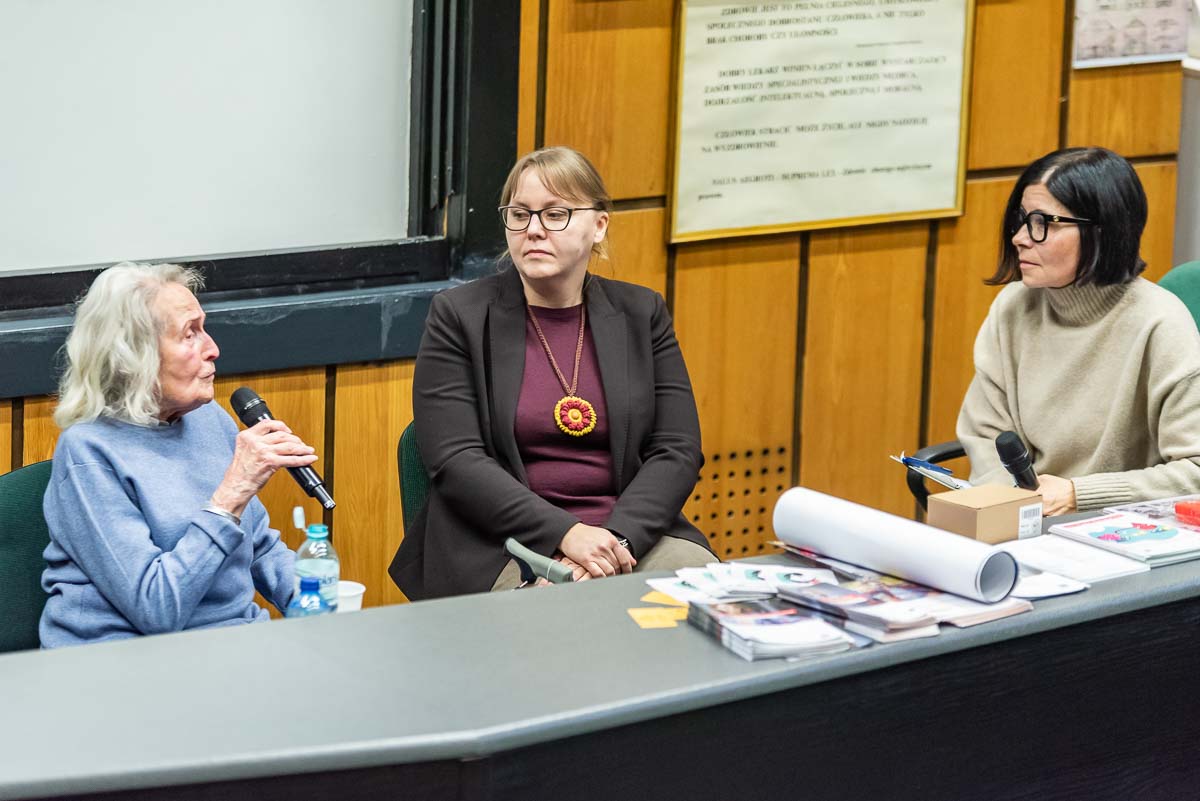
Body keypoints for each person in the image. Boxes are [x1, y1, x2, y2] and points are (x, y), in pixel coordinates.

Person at [389, 146, 714, 599]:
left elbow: (677, 449)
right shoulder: (459, 315)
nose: (534, 229)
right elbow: (456, 459)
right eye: (520, 214)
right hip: (499, 542)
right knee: (559, 621)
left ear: (599, 225)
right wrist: (566, 534)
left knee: (700, 605)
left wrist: (614, 542)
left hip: (629, 533)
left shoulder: (642, 312)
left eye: (556, 214)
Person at [40, 262, 318, 648]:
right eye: (190, 334)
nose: (213, 349)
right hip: (128, 659)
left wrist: (320, 604)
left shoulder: (209, 419)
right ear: (135, 355)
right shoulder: (88, 453)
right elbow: (156, 609)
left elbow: (259, 549)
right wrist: (230, 496)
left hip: (231, 647)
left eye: (205, 328)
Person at [956, 147, 1200, 515]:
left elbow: (1195, 470)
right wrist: (1015, 506)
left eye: (1043, 223)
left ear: (1103, 231)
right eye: (1021, 220)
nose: (1020, 237)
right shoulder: (1013, 307)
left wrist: (1077, 494)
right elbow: (985, 434)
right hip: (1024, 519)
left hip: (1120, 528)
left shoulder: (1160, 323)